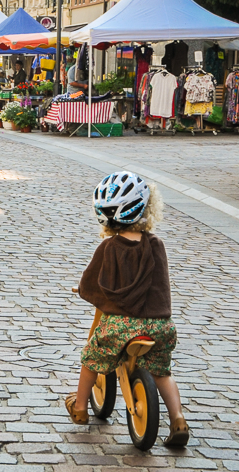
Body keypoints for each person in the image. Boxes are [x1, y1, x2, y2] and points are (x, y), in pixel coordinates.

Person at [65, 171, 189, 448]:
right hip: (160, 326)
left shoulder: (109, 247)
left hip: (122, 327)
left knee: (91, 357)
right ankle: (178, 418)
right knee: (162, 373)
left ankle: (81, 406)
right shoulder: (157, 245)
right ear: (147, 209)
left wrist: (84, 291)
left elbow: (91, 283)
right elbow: (161, 285)